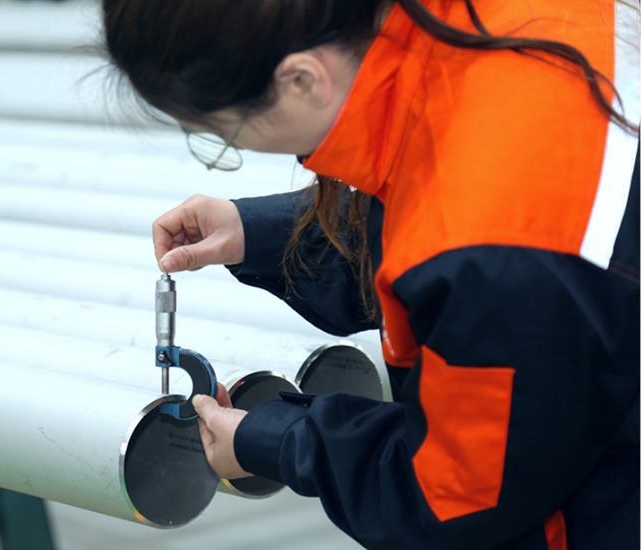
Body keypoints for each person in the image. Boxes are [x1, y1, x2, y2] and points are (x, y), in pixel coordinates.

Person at [103, 0, 639, 548]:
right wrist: (261, 233)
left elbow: (458, 501)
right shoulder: (485, 25)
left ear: (303, 80)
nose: (235, 147)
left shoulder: (491, 251)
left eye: (224, 135)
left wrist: (274, 438)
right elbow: (440, 188)